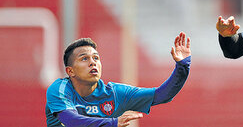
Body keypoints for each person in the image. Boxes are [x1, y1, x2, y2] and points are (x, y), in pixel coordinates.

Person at [46, 32, 191, 127]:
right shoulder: (60, 89)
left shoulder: (115, 93)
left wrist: (182, 67)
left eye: (96, 58)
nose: (93, 62)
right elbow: (71, 121)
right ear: (70, 71)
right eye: (84, 58)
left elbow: (162, 95)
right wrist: (113, 123)